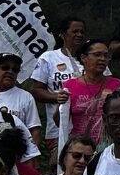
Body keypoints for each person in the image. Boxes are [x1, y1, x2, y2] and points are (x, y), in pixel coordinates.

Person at [30, 16, 85, 148]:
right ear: (62, 34)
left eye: (82, 32)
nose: (79, 35)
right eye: (75, 31)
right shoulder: (49, 58)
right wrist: (57, 97)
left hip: (88, 127)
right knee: (61, 166)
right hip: (58, 129)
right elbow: (36, 90)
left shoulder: (92, 56)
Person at [63, 39, 120, 144]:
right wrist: (60, 103)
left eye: (106, 56)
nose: (102, 59)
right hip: (80, 147)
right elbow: (60, 121)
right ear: (83, 58)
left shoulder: (117, 85)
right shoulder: (70, 85)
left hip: (109, 147)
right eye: (97, 55)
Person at [0, 54, 42, 145]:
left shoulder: (26, 97)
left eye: (15, 69)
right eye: (5, 67)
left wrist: (32, 155)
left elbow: (35, 130)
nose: (10, 71)